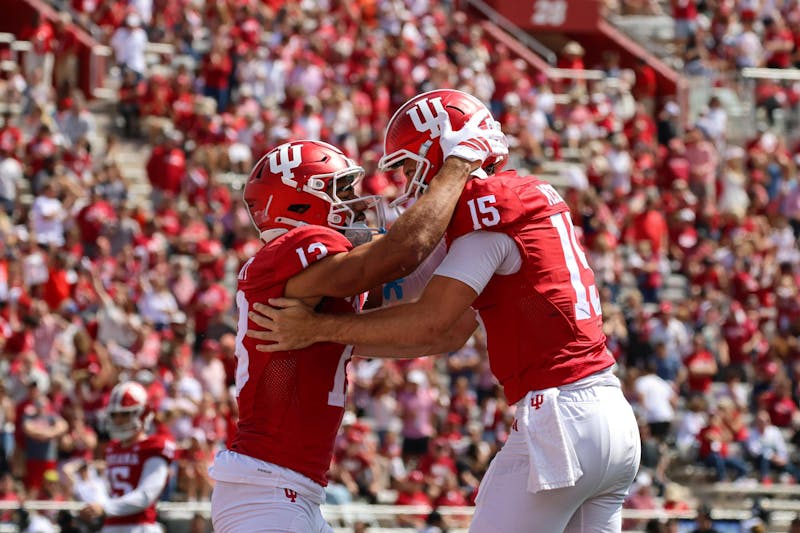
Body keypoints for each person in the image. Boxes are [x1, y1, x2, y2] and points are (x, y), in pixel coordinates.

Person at [248, 89, 641, 532]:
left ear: (448, 150)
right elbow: (447, 330)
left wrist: (318, 329)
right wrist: (331, 331)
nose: (406, 185)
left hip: (561, 416)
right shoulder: (518, 203)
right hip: (612, 415)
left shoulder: (486, 209)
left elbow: (432, 318)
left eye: (411, 167)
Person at [210, 118, 507, 532]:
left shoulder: (320, 291)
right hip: (267, 489)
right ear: (299, 201)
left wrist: (485, 253)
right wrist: (455, 168)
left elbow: (437, 328)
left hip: (288, 489)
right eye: (342, 191)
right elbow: (401, 253)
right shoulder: (288, 250)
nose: (354, 203)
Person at [78, 381, 175, 532]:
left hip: (140, 526)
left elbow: (146, 494)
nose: (118, 420)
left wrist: (105, 507)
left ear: (142, 414)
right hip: (111, 525)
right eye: (115, 415)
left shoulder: (153, 447)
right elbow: (109, 490)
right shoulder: (112, 448)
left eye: (125, 414)